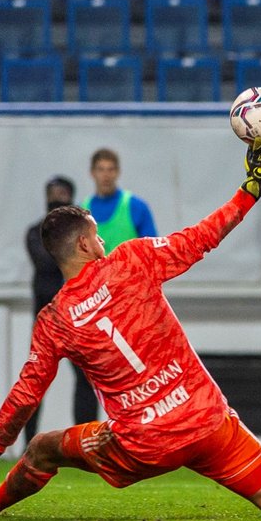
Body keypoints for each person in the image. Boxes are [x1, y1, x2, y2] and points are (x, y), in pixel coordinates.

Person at [0, 137, 261, 520]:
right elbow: (202, 237)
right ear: (86, 245)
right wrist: (250, 189)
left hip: (143, 442)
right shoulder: (134, 260)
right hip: (207, 420)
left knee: (42, 448)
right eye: (98, 235)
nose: (103, 240)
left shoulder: (54, 319)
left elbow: (26, 393)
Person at [77, 148, 158, 424]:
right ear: (92, 173)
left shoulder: (135, 207)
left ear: (118, 172)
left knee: (139, 374)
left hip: (133, 307)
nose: (106, 175)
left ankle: (144, 429)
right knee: (93, 378)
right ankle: (87, 437)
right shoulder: (81, 212)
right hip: (96, 311)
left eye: (111, 169)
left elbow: (152, 255)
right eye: (101, 169)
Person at [23, 175, 97, 447]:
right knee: (35, 382)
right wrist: (68, 253)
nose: (57, 198)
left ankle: (85, 440)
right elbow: (45, 263)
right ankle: (29, 443)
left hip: (78, 316)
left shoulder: (82, 237)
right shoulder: (35, 232)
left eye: (63, 194)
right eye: (53, 193)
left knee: (87, 379)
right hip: (47, 318)